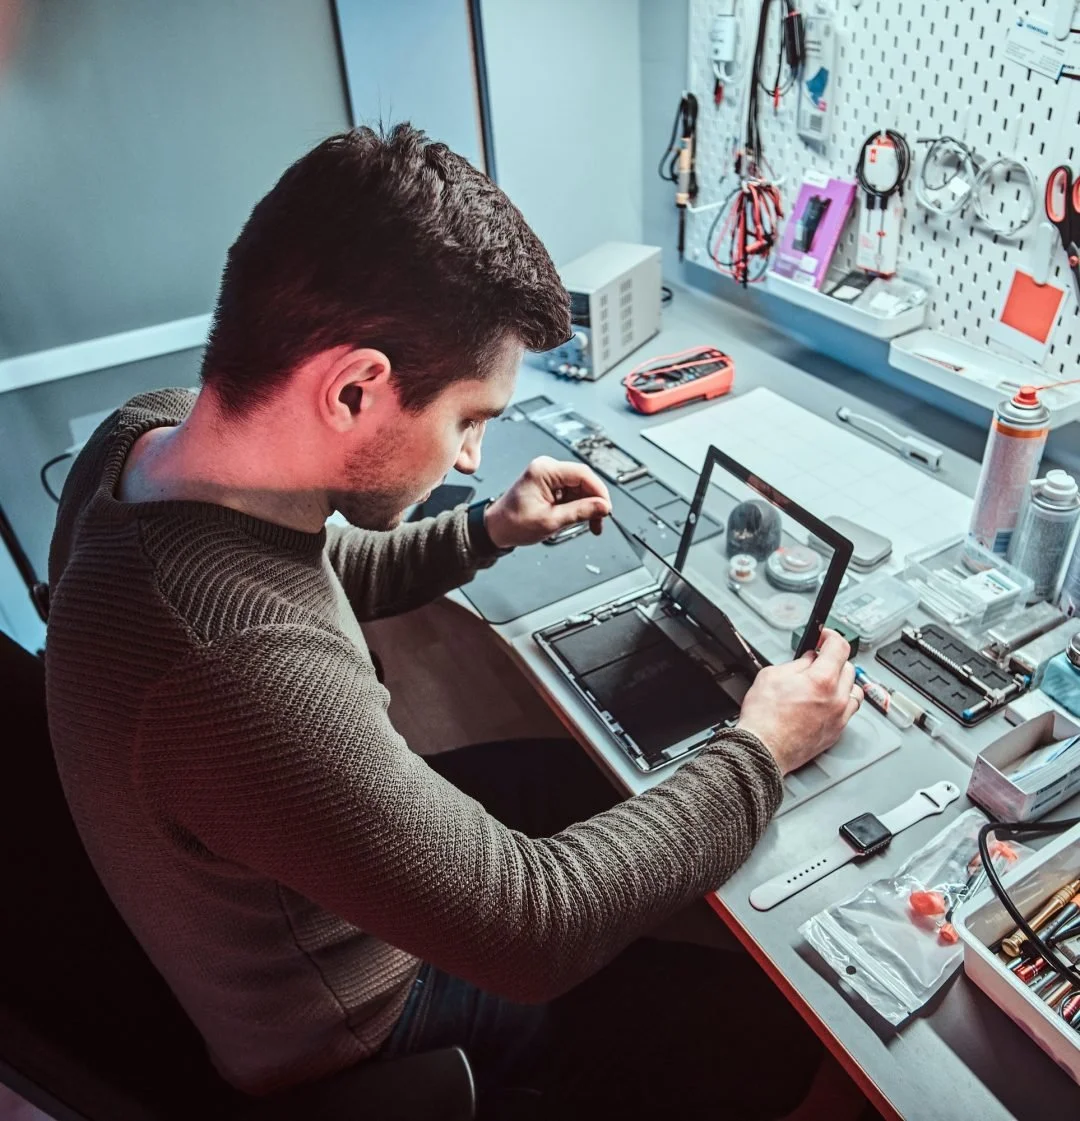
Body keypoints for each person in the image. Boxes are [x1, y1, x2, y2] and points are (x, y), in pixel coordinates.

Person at [45, 125, 863, 1119]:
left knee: (567, 775)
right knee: (777, 1038)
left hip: (266, 882)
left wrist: (488, 531)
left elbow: (301, 570)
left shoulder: (146, 437)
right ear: (354, 388)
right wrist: (760, 749)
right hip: (367, 1021)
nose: (473, 456)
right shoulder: (237, 669)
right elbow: (532, 926)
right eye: (467, 419)